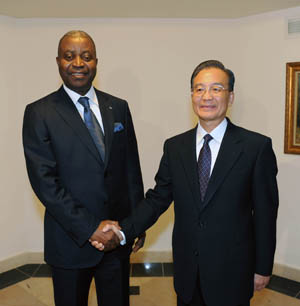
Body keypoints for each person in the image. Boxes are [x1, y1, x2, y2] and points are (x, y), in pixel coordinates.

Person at [95, 60, 279, 306]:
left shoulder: (256, 148)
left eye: (216, 88)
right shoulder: (175, 147)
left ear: (231, 96)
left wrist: (262, 267)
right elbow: (158, 198)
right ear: (192, 95)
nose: (207, 96)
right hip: (187, 273)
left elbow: (266, 214)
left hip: (232, 272)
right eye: (199, 89)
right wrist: (124, 230)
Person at [22, 30, 145, 306]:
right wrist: (91, 228)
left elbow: (130, 170)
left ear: (96, 62)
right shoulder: (39, 113)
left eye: (86, 56)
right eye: (69, 56)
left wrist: (136, 223)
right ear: (58, 61)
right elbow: (45, 183)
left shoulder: (119, 107)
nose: (78, 63)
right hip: (70, 243)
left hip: (117, 241)